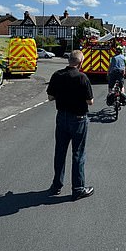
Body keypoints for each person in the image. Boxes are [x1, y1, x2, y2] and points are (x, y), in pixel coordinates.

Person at [46, 50, 94, 200]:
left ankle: (56, 185)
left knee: (60, 151)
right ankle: (78, 188)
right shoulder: (82, 78)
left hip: (61, 118)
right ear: (80, 62)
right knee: (78, 154)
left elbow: (50, 97)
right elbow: (90, 101)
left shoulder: (57, 75)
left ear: (69, 60)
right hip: (78, 119)